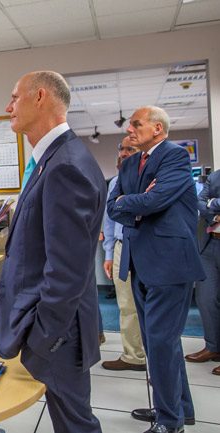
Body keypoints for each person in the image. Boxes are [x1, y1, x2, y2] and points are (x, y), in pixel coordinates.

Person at [0, 71, 105, 433]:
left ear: (40, 97)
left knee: (76, 425)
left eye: (14, 97)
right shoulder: (54, 159)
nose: (8, 107)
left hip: (59, 333)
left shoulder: (65, 166)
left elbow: (67, 270)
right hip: (57, 326)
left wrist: (44, 339)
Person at [108, 106, 205, 433]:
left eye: (137, 124)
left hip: (170, 263)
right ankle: (178, 408)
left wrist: (132, 202)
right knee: (157, 343)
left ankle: (169, 422)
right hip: (140, 261)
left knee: (162, 342)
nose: (129, 129)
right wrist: (134, 202)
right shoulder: (132, 162)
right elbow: (113, 206)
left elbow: (155, 200)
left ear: (158, 129)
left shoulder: (175, 157)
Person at [101, 137, 146, 371]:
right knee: (126, 303)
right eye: (122, 149)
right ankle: (133, 355)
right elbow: (108, 220)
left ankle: (155, 356)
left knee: (152, 304)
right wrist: (108, 253)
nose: (125, 153)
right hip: (121, 246)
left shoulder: (152, 179)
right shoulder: (115, 182)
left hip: (148, 246)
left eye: (131, 148)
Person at [185, 169, 220, 375]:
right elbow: (198, 202)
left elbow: (207, 202)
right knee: (205, 298)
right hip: (210, 245)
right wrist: (214, 209)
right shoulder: (215, 177)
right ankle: (213, 347)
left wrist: (212, 203)